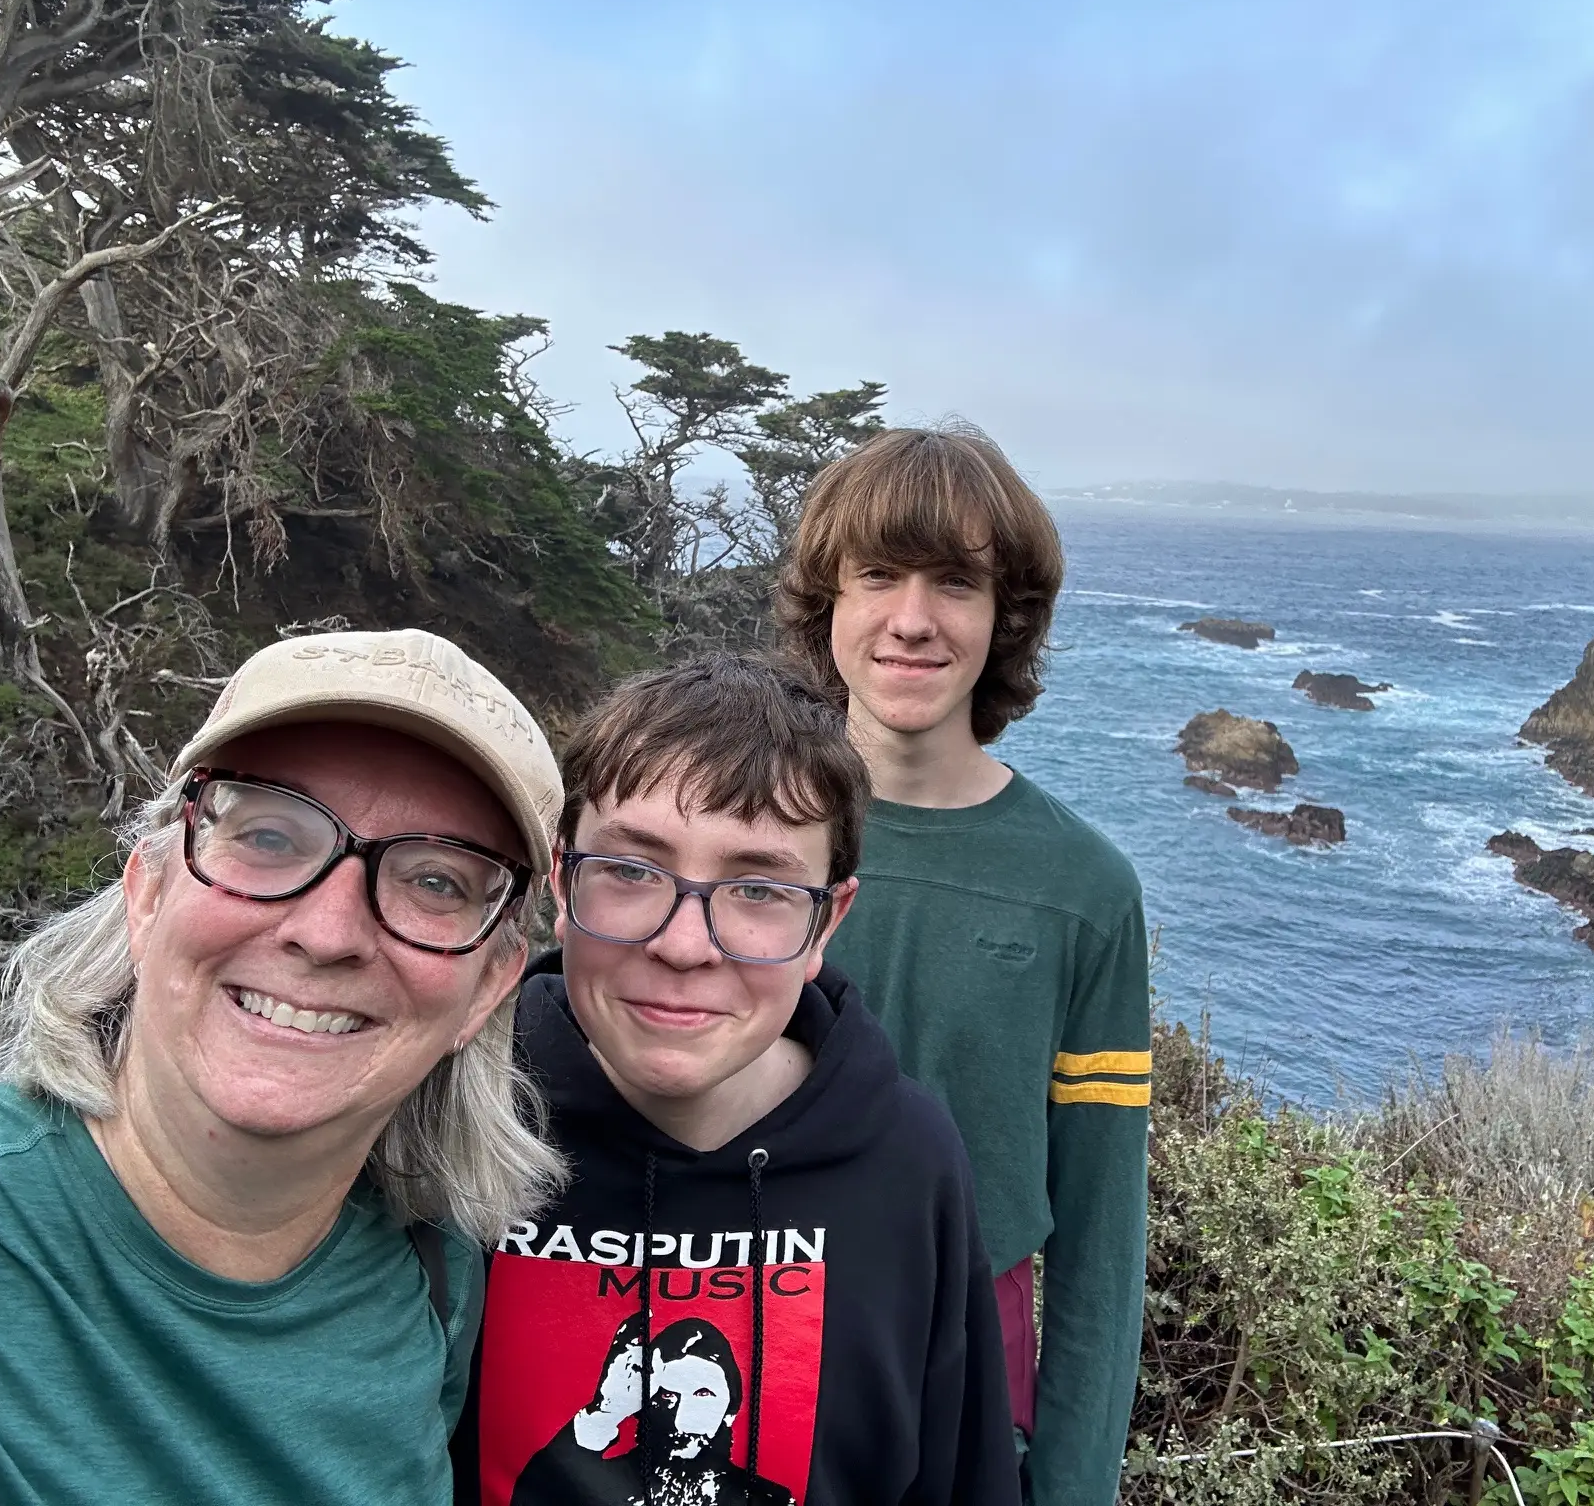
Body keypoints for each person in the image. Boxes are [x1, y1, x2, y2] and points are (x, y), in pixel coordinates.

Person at [0, 628, 566, 1503]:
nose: (325, 932)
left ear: (488, 987)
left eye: (435, 881)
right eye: (272, 836)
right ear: (148, 891)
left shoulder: (433, 1282)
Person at [456, 654, 1019, 1506]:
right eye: (632, 872)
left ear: (827, 919)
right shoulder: (457, 1107)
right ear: (563, 883)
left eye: (759, 888)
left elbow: (960, 1479)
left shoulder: (907, 1162)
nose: (685, 946)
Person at [777, 428, 1152, 1505]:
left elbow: (1099, 1230)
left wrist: (1074, 1482)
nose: (912, 618)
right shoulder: (741, 834)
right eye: (878, 576)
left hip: (965, 1368)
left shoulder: (1083, 888)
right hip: (730, 1321)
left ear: (1006, 618)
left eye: (956, 583)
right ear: (829, 605)